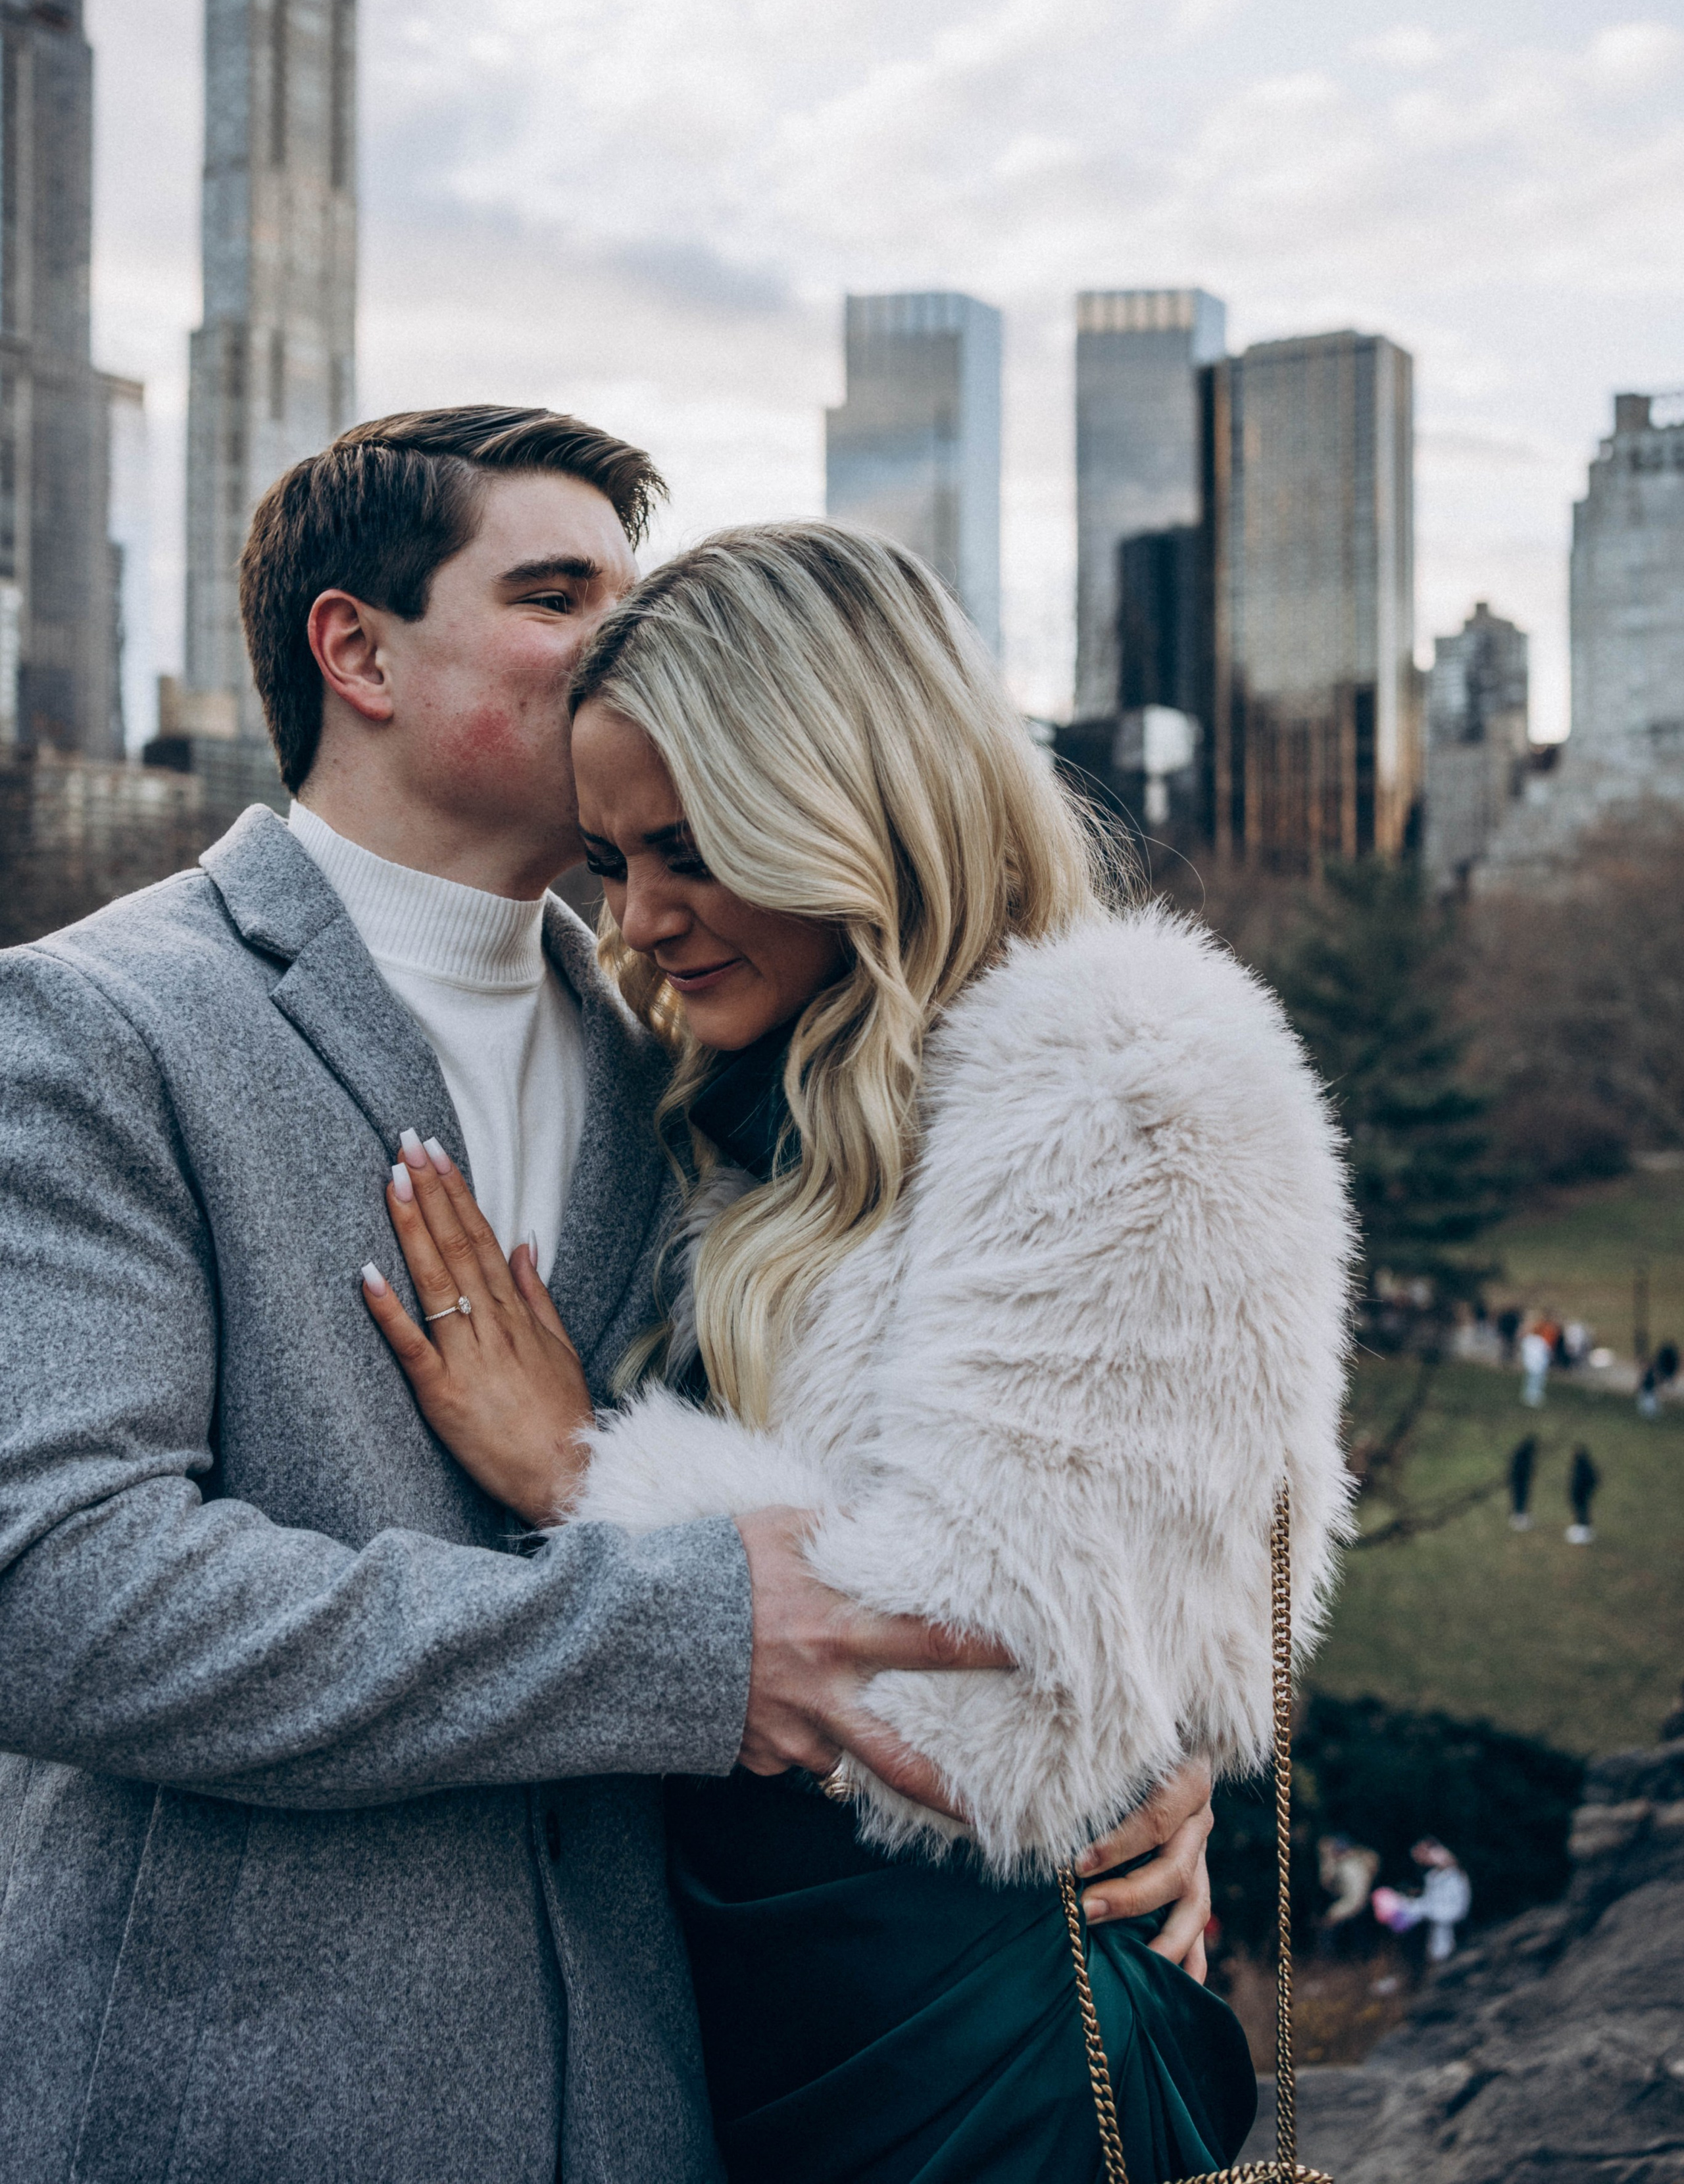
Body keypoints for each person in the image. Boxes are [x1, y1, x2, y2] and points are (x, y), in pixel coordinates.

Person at [0, 413, 1214, 2184]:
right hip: (244, 2108)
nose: (620, 638)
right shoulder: (97, 1024)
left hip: (672, 2107)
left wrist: (1133, 1755)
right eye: (557, 592)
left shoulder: (706, 1039)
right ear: (358, 654)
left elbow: (1002, 1454)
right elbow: (58, 1595)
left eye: (629, 593)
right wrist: (683, 1640)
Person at [359, 523, 1356, 2183]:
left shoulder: (1128, 1081)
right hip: (748, 1992)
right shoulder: (758, 1093)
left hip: (970, 2041)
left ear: (849, 794)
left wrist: (575, 1468)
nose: (642, 921)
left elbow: (1005, 1715)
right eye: (612, 862)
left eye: (688, 846)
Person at [1318, 1835, 1381, 1955]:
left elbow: (1326, 1883)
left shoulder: (1349, 1864)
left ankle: (1327, 1955)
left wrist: (1328, 1860)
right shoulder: (1354, 1860)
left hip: (1356, 1902)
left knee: (1329, 1919)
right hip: (1359, 1901)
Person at [1567, 1444, 1600, 1542]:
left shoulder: (1583, 1466)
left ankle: (1583, 1533)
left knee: (1582, 1511)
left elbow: (1586, 1480)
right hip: (1581, 1494)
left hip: (1581, 1494)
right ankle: (1583, 1530)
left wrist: (1583, 1491)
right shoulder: (1582, 1465)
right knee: (1581, 1511)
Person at [1508, 1434, 1538, 1530]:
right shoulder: (1523, 1454)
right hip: (1519, 1480)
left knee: (1521, 1499)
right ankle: (1519, 1519)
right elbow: (1520, 1469)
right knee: (1519, 1498)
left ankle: (1520, 1517)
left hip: (1521, 1480)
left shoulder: (1523, 1454)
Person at [1520, 1323, 1551, 1407]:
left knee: (1532, 1380)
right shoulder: (1539, 1341)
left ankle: (1530, 1396)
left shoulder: (1529, 1340)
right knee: (1535, 1381)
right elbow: (1546, 1351)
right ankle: (1532, 1397)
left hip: (1532, 1364)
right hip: (1538, 1364)